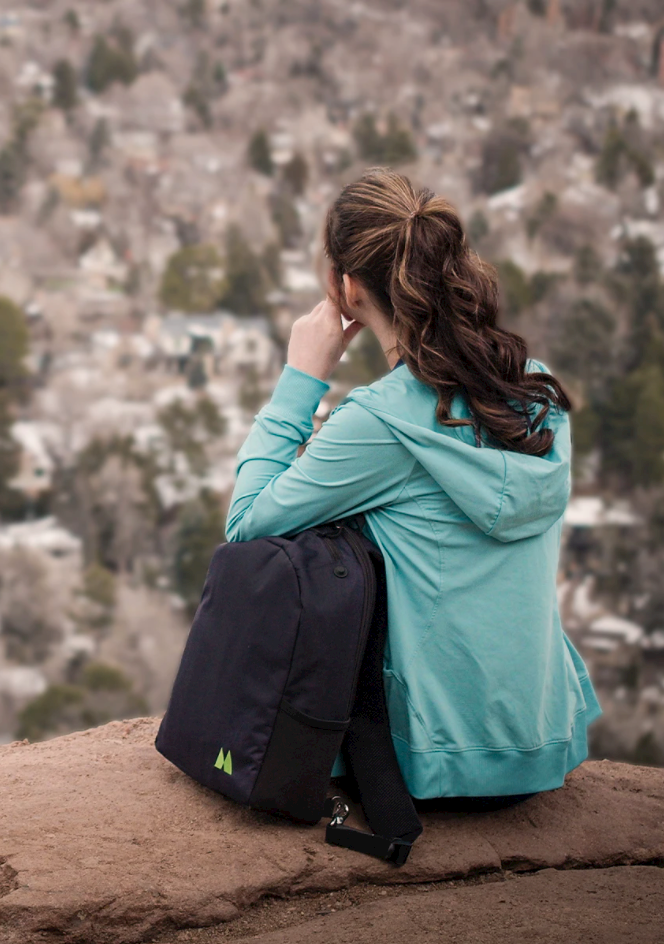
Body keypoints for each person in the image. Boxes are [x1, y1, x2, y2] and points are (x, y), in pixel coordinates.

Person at [226, 167, 601, 812]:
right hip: (540, 743)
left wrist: (300, 378)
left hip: (429, 762)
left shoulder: (382, 421)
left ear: (346, 286)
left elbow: (247, 526)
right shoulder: (534, 392)